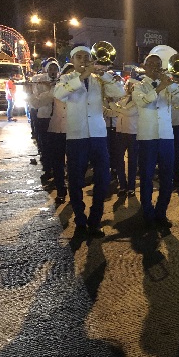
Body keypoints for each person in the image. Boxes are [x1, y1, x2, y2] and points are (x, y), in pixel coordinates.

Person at [53, 44, 125, 237]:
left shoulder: (99, 79)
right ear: (72, 61)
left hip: (98, 135)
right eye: (79, 57)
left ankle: (95, 219)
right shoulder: (67, 78)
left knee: (103, 179)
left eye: (87, 57)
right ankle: (80, 220)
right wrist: (82, 77)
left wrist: (106, 75)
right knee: (75, 180)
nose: (84, 60)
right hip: (76, 136)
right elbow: (59, 94)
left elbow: (119, 93)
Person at [133, 54, 179, 233]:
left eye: (158, 65)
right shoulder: (138, 85)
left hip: (166, 136)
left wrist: (171, 83)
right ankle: (148, 213)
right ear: (144, 66)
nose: (154, 68)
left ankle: (161, 212)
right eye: (150, 64)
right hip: (147, 137)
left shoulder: (168, 86)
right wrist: (160, 87)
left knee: (167, 177)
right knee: (147, 177)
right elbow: (142, 102)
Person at [31, 60, 60, 182]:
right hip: (44, 117)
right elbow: (38, 100)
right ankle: (47, 169)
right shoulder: (40, 81)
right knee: (45, 146)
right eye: (51, 69)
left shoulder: (61, 81)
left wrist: (52, 91)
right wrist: (51, 90)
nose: (53, 72)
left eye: (55, 69)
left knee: (56, 147)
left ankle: (57, 170)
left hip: (58, 118)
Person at [47, 62, 72, 205]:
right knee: (57, 163)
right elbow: (39, 102)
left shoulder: (80, 89)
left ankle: (74, 189)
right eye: (67, 74)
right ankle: (61, 191)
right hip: (57, 129)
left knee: (74, 164)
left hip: (74, 130)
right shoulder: (57, 88)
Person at [109, 79, 139, 197]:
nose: (130, 88)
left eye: (133, 86)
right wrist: (102, 108)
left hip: (133, 133)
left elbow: (128, 112)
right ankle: (122, 185)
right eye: (129, 85)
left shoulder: (138, 101)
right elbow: (114, 113)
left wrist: (112, 104)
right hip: (120, 132)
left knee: (132, 161)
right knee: (119, 161)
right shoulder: (123, 99)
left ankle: (131, 187)